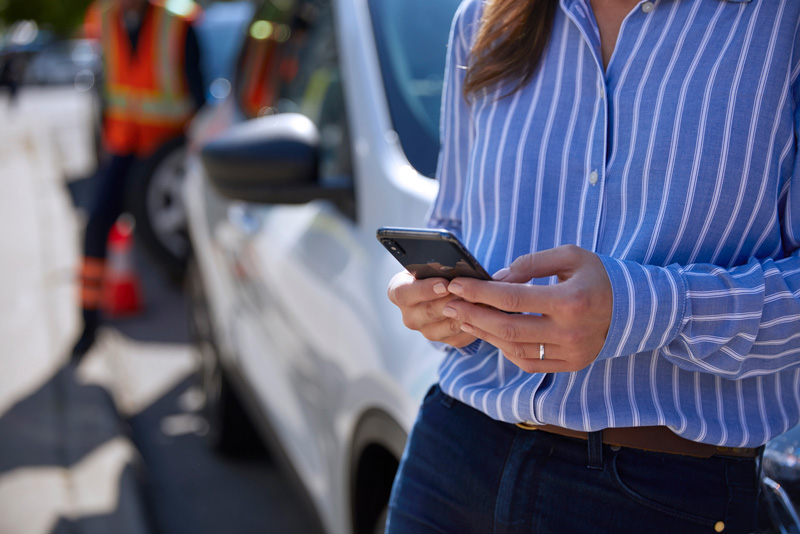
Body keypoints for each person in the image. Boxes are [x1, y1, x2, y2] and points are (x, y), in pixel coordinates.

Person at [385, 0, 800, 532]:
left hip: (661, 493)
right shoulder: (482, 19)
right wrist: (432, 303)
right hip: (451, 455)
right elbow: (455, 223)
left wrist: (640, 310)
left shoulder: (780, 22)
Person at [71, 0, 205, 359]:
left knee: (186, 246)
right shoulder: (106, 19)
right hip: (124, 147)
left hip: (166, 156)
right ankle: (88, 324)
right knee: (96, 225)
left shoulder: (178, 22)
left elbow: (198, 97)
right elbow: (106, 87)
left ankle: (203, 329)